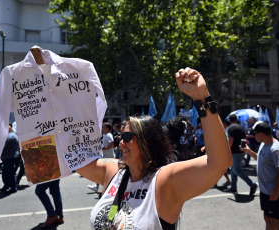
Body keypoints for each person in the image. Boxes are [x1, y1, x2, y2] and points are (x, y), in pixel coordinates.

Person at [77, 67, 232, 229]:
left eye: (127, 137)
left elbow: (219, 163)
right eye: (120, 137)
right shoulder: (114, 171)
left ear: (147, 142)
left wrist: (202, 98)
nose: (121, 143)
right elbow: (74, 160)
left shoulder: (164, 180)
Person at [241, 122, 279, 230]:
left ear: (261, 134)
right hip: (266, 190)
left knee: (274, 218)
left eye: (254, 133)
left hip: (275, 192)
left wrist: (276, 191)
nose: (253, 135)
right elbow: (261, 159)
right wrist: (249, 151)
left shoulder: (276, 149)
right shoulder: (264, 144)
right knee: (271, 217)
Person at [224, 114, 258, 195]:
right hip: (241, 150)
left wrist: (227, 150)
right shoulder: (241, 127)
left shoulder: (231, 128)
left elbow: (231, 140)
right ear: (236, 119)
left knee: (236, 170)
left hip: (235, 151)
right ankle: (233, 188)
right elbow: (245, 138)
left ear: (229, 120)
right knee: (233, 169)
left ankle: (252, 184)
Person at [88, 122, 115, 192]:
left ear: (108, 129)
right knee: (100, 172)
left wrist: (102, 148)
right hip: (105, 157)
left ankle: (106, 188)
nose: (102, 128)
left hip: (109, 158)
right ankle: (97, 186)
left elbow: (111, 144)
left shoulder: (109, 135)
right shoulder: (105, 135)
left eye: (104, 127)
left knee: (105, 173)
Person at [0, 125, 19, 194]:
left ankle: (13, 187)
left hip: (8, 157)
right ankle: (7, 185)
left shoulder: (8, 136)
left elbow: (2, 146)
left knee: (9, 173)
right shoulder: (14, 135)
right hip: (11, 156)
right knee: (7, 172)